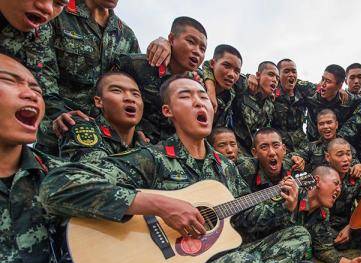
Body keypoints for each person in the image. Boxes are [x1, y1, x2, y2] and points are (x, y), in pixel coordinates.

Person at [40, 75, 315, 263]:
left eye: (203, 97)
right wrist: (157, 204)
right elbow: (57, 186)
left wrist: (283, 204)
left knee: (299, 236)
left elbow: (245, 217)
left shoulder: (225, 167)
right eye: (186, 96)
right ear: (167, 111)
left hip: (220, 255)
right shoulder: (152, 158)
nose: (198, 101)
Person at [0, 54, 158, 263]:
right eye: (10, 81)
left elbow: (79, 245)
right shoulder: (85, 144)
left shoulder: (52, 172)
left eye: (36, 88)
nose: (30, 94)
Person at [40, 0, 141, 155]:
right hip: (58, 131)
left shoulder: (125, 34)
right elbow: (41, 69)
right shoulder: (58, 14)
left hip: (109, 142)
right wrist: (57, 113)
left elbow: (134, 85)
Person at [115, 16, 207, 144]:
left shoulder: (198, 84)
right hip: (128, 142)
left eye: (202, 49)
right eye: (191, 42)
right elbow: (107, 96)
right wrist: (131, 129)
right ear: (171, 39)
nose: (197, 52)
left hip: (173, 152)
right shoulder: (138, 65)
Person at [295, 166, 361, 263]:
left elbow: (323, 248)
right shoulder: (292, 196)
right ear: (317, 181)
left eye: (340, 186)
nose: (339, 189)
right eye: (336, 183)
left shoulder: (323, 212)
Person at [59, 71, 146, 162]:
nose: (130, 98)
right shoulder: (84, 129)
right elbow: (95, 170)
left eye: (135, 94)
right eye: (117, 91)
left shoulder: (146, 145)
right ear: (99, 101)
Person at [304, 64, 361, 142]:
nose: (323, 84)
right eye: (323, 79)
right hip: (313, 146)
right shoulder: (311, 93)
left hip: (338, 146)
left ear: (339, 86)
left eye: (328, 81)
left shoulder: (348, 99)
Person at [292, 109, 361, 175]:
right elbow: (293, 156)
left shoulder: (346, 146)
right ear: (317, 127)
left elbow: (355, 164)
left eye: (329, 122)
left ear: (336, 125)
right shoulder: (312, 147)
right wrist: (297, 159)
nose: (325, 126)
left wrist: (358, 167)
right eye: (321, 124)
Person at [324, 138, 361, 250]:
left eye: (348, 154)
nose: (346, 159)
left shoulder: (355, 177)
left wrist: (349, 228)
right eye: (340, 155)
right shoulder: (321, 178)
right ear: (328, 157)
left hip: (348, 223)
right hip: (325, 224)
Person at [236, 128, 295, 193]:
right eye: (264, 147)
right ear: (255, 153)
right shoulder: (244, 171)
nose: (272, 152)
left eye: (276, 145)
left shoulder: (295, 165)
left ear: (284, 149)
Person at [271, 58, 310, 152]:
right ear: (278, 75)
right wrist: (250, 76)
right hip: (278, 146)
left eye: (294, 71)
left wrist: (339, 90)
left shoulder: (303, 90)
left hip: (302, 145)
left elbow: (321, 89)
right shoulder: (271, 90)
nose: (291, 75)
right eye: (286, 71)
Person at [202, 44, 243, 129]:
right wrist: (210, 89)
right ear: (213, 63)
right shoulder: (196, 83)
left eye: (237, 71)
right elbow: (206, 64)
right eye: (226, 66)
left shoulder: (235, 88)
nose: (232, 75)